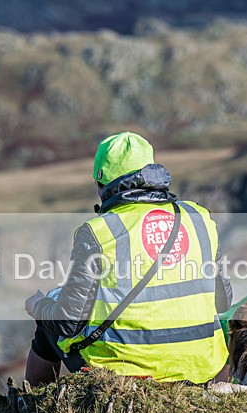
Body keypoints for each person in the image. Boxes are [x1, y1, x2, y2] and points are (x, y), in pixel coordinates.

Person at [24, 132, 232, 386]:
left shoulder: (99, 231)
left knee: (49, 322)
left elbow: (68, 323)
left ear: (102, 185)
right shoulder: (200, 218)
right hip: (199, 367)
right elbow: (222, 301)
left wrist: (37, 307)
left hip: (126, 370)